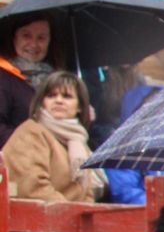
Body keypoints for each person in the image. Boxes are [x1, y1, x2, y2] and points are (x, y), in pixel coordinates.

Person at [2, 71, 107, 202]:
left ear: (80, 106)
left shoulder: (78, 141)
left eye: (67, 96)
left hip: (68, 216)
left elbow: (86, 192)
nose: (58, 100)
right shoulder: (32, 132)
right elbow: (33, 188)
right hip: (36, 217)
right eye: (51, 96)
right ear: (42, 103)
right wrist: (69, 215)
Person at [0, 15, 56, 144]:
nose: (34, 44)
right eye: (26, 36)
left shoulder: (58, 78)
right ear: (14, 38)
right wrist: (34, 144)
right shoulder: (3, 76)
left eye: (41, 38)